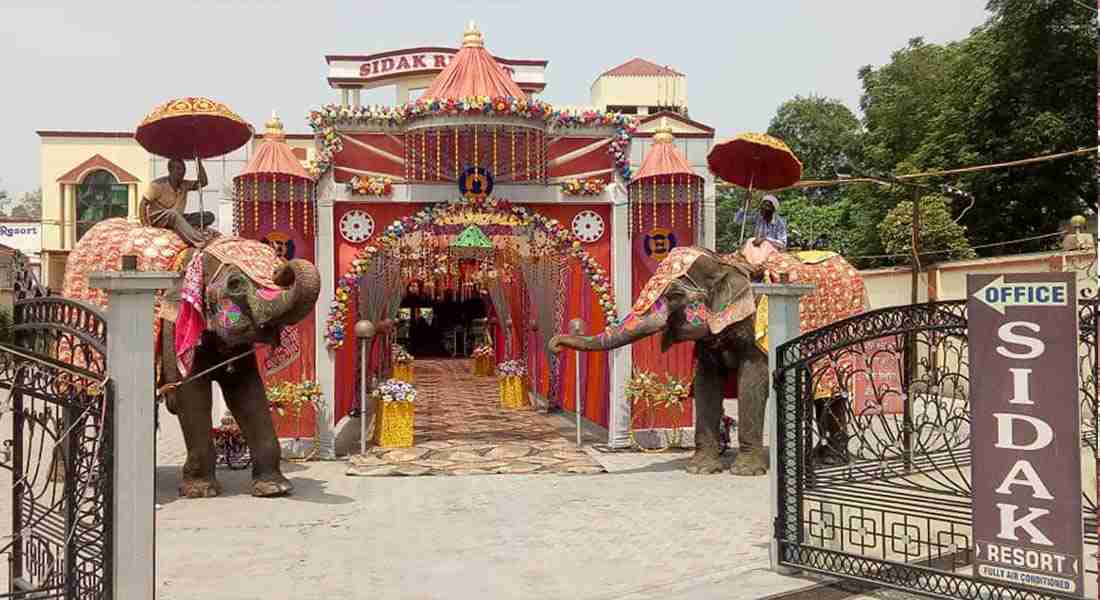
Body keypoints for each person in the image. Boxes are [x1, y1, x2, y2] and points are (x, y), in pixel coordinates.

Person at [139, 158, 216, 247]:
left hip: (176, 218)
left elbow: (203, 182)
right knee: (173, 214)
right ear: (170, 170)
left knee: (208, 216)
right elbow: (143, 204)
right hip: (159, 219)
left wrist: (198, 162)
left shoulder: (184, 184)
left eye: (183, 169)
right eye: (178, 169)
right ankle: (199, 241)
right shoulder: (157, 185)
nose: (182, 172)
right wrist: (145, 225)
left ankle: (182, 227)